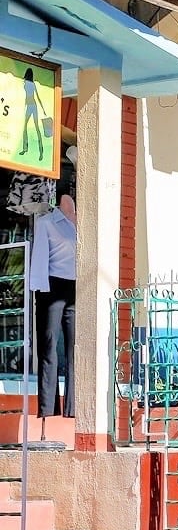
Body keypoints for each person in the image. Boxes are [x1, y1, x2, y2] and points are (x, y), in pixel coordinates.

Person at [28, 165, 77, 431]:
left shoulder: (83, 222)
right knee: (49, 348)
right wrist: (40, 290)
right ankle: (48, 408)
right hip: (52, 287)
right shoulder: (48, 221)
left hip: (76, 288)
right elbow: (39, 259)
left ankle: (73, 407)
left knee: (74, 349)